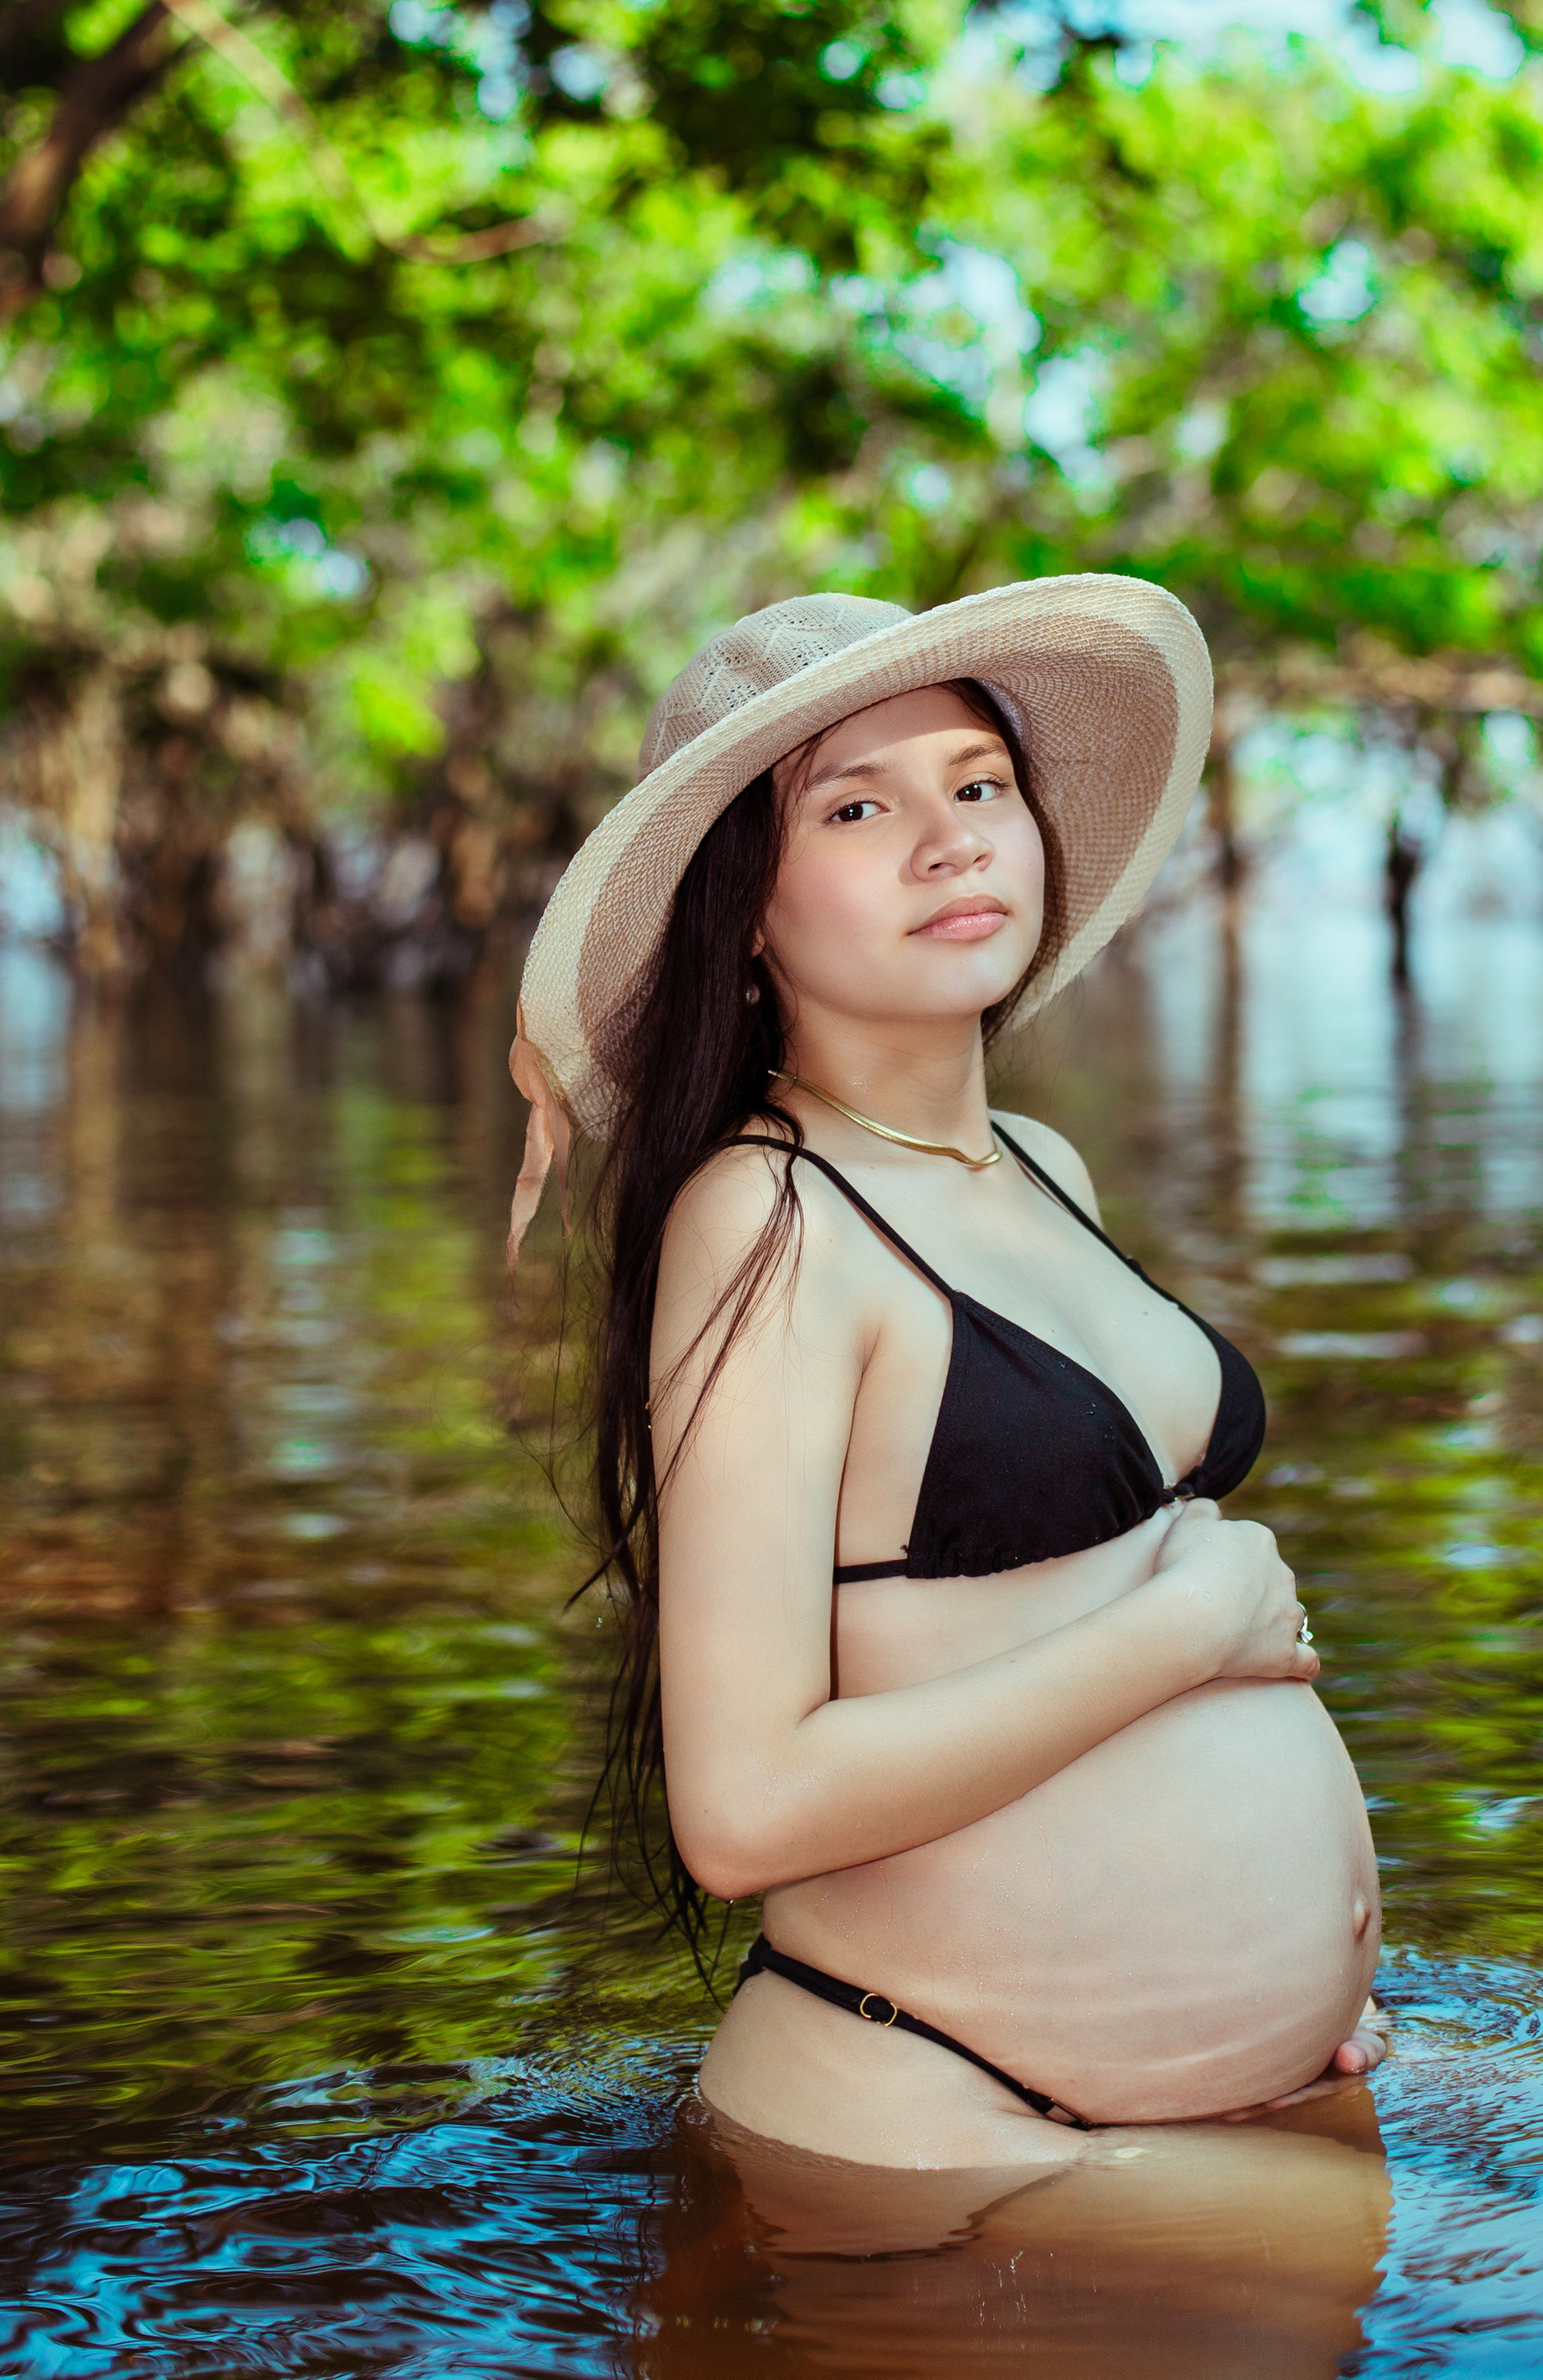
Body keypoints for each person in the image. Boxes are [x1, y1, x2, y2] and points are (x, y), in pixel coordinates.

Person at [508, 578, 1387, 2172]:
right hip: (943, 2135)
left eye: (977, 785)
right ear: (744, 913)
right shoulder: (766, 1217)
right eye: (857, 805)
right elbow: (741, 1808)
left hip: (1202, 2100)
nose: (950, 836)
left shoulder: (1042, 1165)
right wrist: (1191, 1630)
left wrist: (1276, 1979)